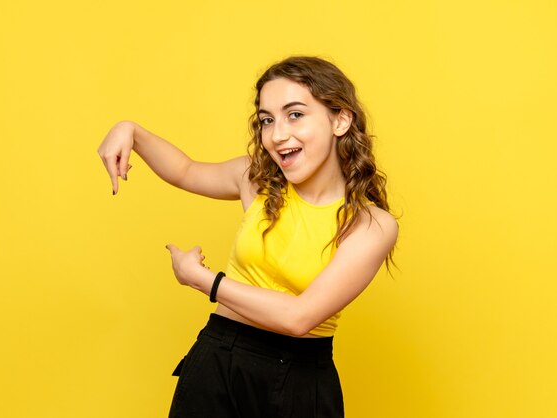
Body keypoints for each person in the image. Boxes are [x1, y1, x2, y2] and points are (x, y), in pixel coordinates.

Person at [97, 56, 399, 418]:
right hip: (217, 362)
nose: (277, 134)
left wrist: (203, 280)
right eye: (267, 120)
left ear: (340, 119)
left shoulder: (371, 224)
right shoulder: (256, 180)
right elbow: (185, 170)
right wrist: (131, 130)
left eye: (295, 114)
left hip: (300, 382)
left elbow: (299, 317)